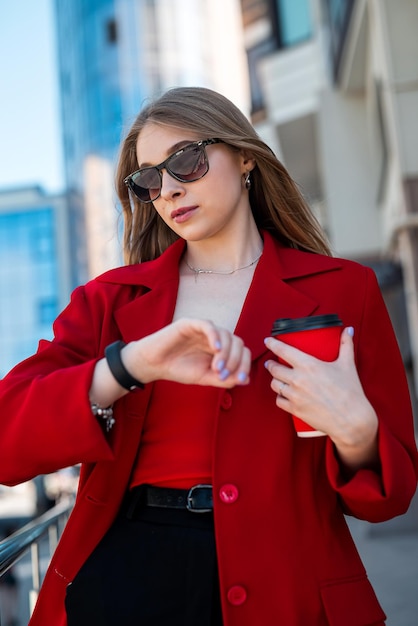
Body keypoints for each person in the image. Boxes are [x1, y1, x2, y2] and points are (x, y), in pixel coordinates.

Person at [0, 86, 417, 626]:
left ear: (244, 155)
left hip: (287, 584)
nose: (169, 189)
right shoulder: (111, 300)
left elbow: (388, 499)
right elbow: (7, 440)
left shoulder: (345, 291)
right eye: (149, 178)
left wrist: (359, 433)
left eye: (186, 161)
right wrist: (130, 367)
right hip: (128, 584)